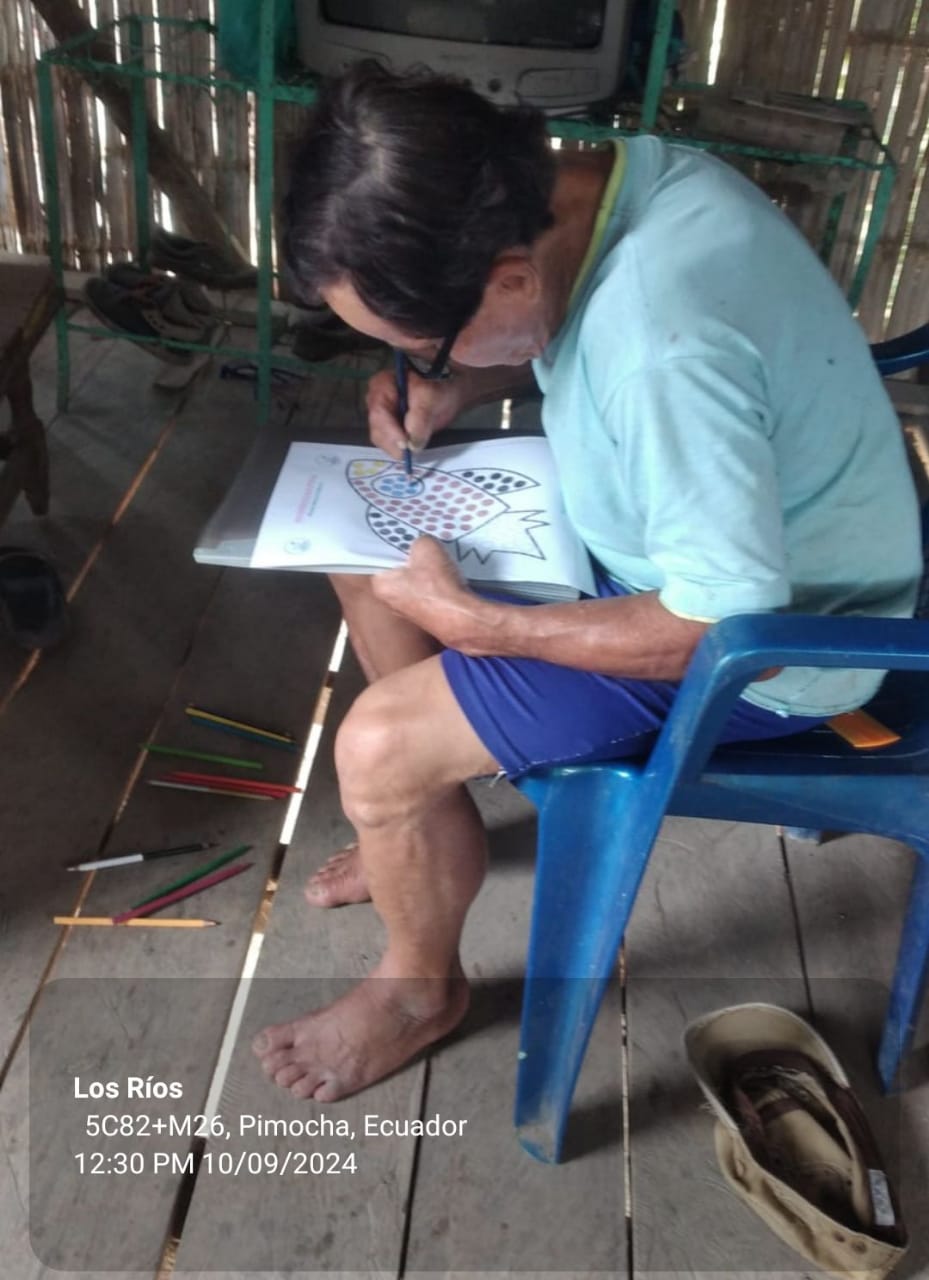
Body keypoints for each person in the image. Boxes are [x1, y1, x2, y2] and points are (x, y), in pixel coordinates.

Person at [252, 61, 922, 1102]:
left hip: (787, 647)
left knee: (374, 745)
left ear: (507, 280)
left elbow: (721, 624)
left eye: (416, 346)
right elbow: (570, 331)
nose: (409, 365)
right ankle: (424, 819)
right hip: (676, 531)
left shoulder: (661, 345)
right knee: (359, 545)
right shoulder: (613, 183)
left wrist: (480, 627)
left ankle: (420, 987)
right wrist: (458, 379)